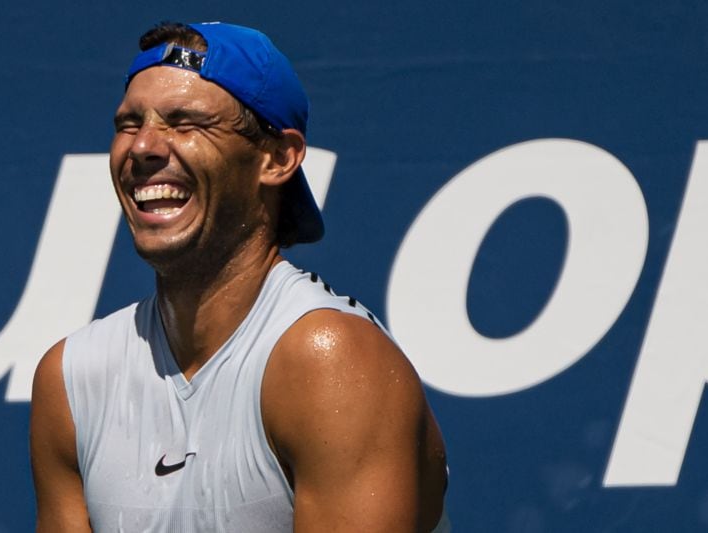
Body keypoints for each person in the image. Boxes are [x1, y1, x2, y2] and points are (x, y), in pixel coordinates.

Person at [30, 21, 449, 532]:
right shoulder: (71, 379)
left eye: (186, 123)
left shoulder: (328, 359)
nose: (142, 148)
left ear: (277, 158)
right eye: (128, 124)